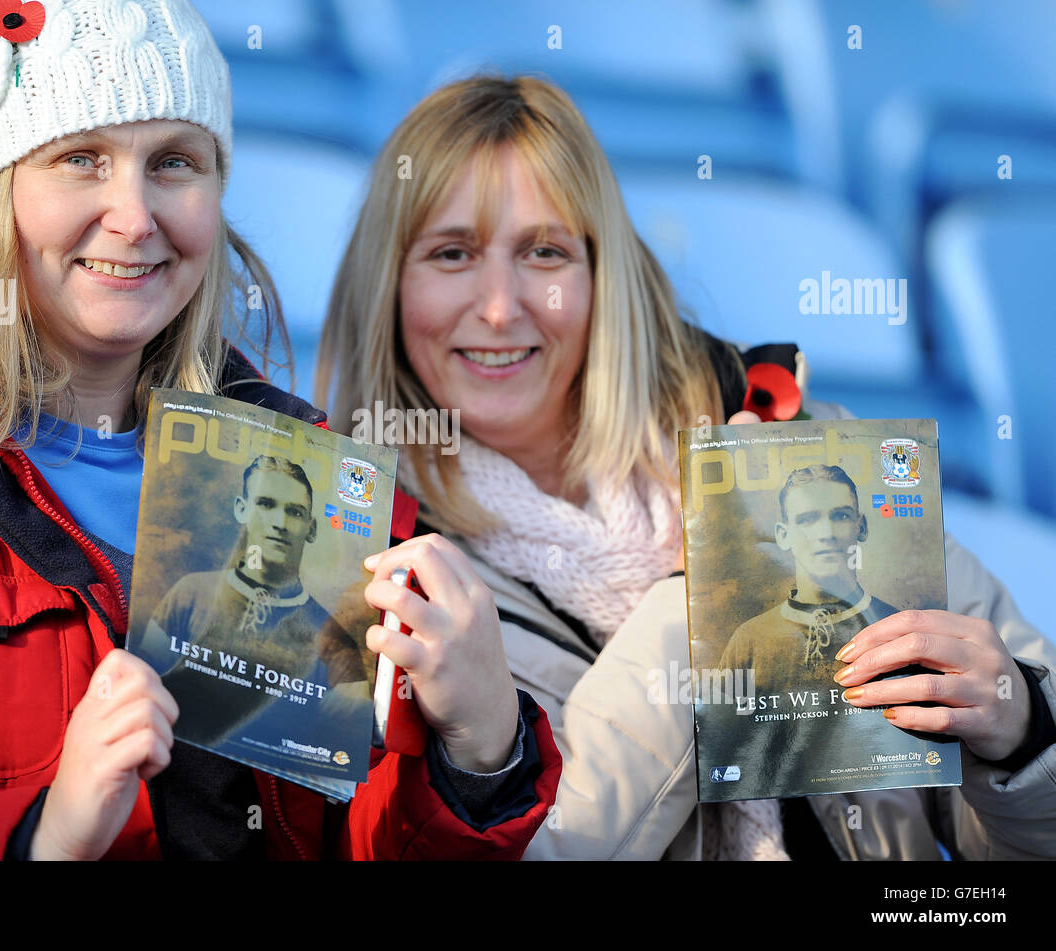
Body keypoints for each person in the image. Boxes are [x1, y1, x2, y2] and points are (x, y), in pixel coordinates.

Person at [0, 1, 561, 861]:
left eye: (175, 162)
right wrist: (40, 836)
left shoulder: (314, 480)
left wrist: (482, 757)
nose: (135, 217)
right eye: (81, 160)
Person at [315, 74, 1056, 860]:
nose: (501, 306)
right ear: (388, 288)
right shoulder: (369, 573)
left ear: (605, 277)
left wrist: (1017, 737)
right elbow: (540, 850)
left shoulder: (797, 445)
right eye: (452, 252)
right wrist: (711, 589)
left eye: (546, 252)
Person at [129, 454, 369, 748]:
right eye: (266, 504)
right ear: (241, 509)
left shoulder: (335, 638)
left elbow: (339, 746)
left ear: (311, 527)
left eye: (294, 512)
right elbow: (142, 684)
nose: (279, 523)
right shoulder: (189, 593)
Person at [720, 464, 900, 694]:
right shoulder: (749, 640)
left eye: (840, 516)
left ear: (861, 527)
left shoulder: (896, 627)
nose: (826, 533)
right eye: (807, 519)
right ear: (783, 536)